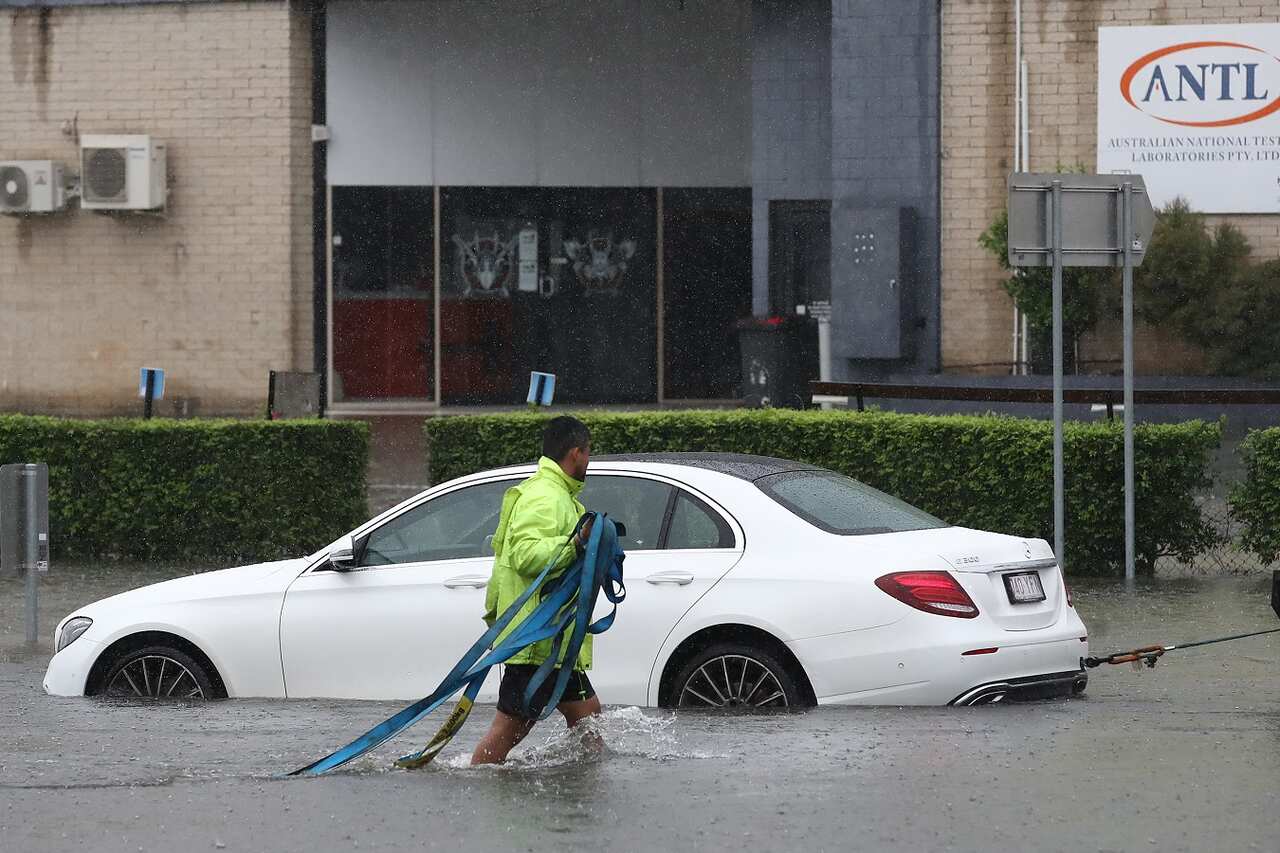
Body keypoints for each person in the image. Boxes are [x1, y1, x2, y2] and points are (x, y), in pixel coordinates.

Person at [471, 415, 600, 765]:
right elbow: (527, 555)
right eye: (588, 453)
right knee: (510, 729)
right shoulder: (545, 497)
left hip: (551, 639)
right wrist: (576, 542)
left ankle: (585, 786)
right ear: (575, 453)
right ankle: (478, 780)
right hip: (535, 642)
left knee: (587, 716)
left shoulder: (557, 495)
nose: (589, 461)